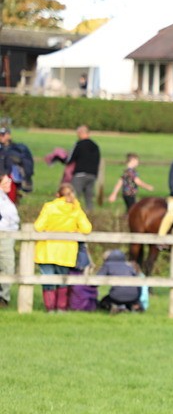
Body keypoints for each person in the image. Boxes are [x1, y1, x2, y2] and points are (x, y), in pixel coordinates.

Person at [34, 183, 92, 312]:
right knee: (63, 280)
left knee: (48, 280)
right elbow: (87, 228)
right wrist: (75, 229)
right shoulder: (75, 209)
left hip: (46, 250)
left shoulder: (49, 207)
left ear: (57, 195)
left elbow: (38, 227)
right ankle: (61, 308)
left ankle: (49, 309)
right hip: (66, 251)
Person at [67, 125, 101, 211]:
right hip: (92, 175)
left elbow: (70, 159)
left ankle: (72, 215)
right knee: (89, 199)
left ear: (81, 133)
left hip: (80, 174)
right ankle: (90, 217)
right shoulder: (95, 146)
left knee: (74, 196)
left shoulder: (79, 144)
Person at [0, 125, 35, 196]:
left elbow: (27, 162)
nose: (1, 137)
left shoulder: (18, 148)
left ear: (9, 135)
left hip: (13, 177)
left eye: (3, 135)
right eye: (0, 135)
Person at [0, 174, 18, 306]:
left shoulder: (5, 197)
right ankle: (3, 297)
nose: (9, 184)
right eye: (6, 182)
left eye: (9, 181)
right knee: (7, 266)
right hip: (3, 235)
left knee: (6, 267)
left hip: (9, 235)